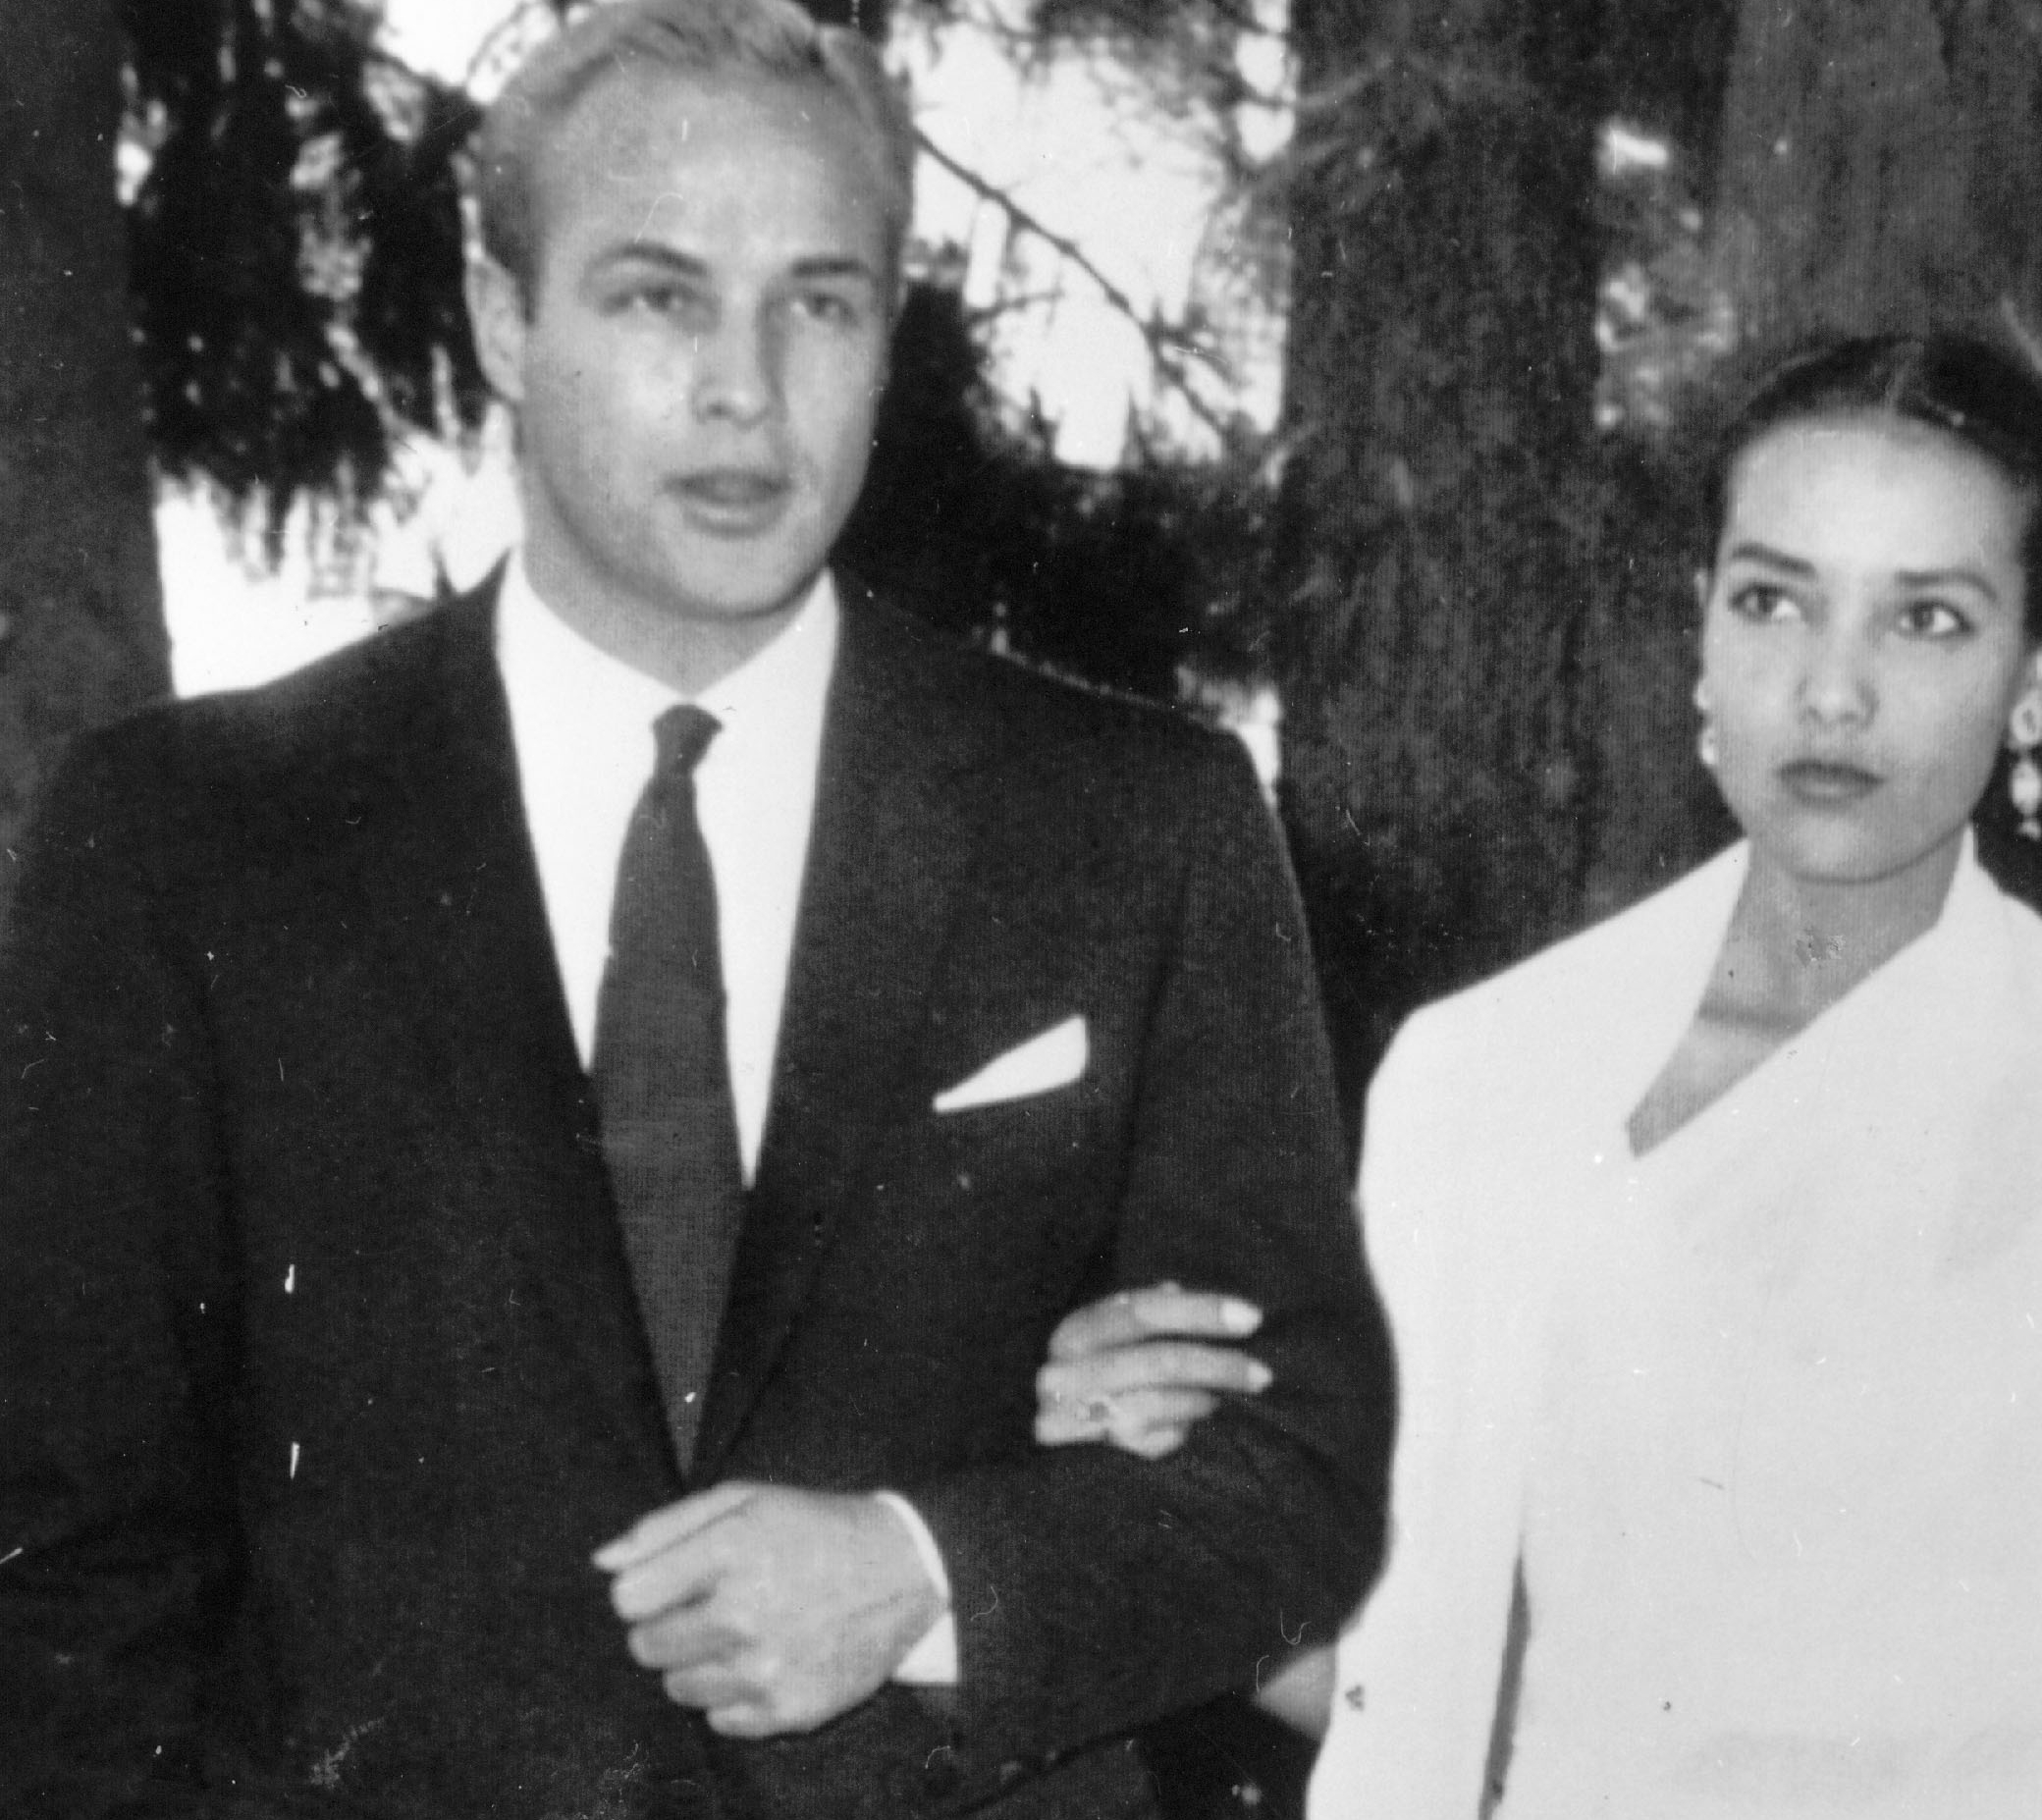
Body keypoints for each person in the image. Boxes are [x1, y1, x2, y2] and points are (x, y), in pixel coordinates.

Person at [0, 3, 1392, 1815]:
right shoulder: (191, 839)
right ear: (502, 317)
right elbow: (65, 1576)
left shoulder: (1137, 821)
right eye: (659, 296)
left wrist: (929, 1574)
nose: (746, 387)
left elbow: (1298, 1477)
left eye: (819, 304)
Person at [1040, 332, 2042, 1818]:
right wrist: (1149, 1489)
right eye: (1773, 599)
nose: (1831, 691)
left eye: (1925, 619)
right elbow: (1419, 1694)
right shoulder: (1484, 1075)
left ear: (2039, 669)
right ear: (1699, 622)